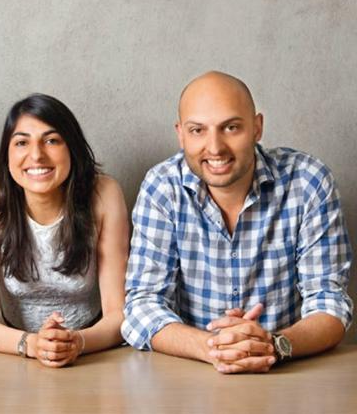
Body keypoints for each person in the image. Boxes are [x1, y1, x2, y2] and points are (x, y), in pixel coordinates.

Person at [122, 71, 353, 374]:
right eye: (197, 131)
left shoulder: (307, 180)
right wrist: (214, 348)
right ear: (180, 134)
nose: (215, 147)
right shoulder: (162, 187)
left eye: (231, 127)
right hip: (192, 375)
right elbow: (142, 305)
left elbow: (329, 302)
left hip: (287, 372)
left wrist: (273, 345)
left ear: (257, 127)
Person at [0, 94, 129, 367]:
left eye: (51, 140)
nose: (36, 155)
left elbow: (120, 313)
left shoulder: (104, 195)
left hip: (94, 352)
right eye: (21, 142)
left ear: (72, 148)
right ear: (7, 153)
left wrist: (76, 342)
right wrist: (31, 344)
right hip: (12, 352)